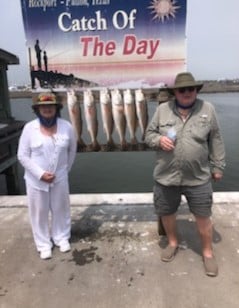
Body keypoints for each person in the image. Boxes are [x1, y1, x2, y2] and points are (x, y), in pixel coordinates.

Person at [145, 72, 225, 277]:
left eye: (191, 89)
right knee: (167, 213)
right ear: (175, 92)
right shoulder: (163, 110)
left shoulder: (208, 109)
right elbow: (149, 134)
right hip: (166, 175)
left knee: (203, 216)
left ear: (196, 90)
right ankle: (173, 243)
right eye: (182, 89)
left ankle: (207, 253)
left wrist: (218, 166)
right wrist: (158, 141)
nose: (187, 92)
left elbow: (215, 138)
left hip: (198, 177)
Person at [17, 92, 77, 260]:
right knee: (39, 212)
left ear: (57, 108)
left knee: (61, 208)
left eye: (51, 106)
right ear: (37, 109)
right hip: (35, 181)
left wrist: (64, 170)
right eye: (43, 106)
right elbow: (22, 156)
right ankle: (43, 244)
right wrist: (40, 174)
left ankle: (62, 237)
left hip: (60, 178)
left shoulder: (67, 126)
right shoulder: (29, 128)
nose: (47, 109)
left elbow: (72, 150)